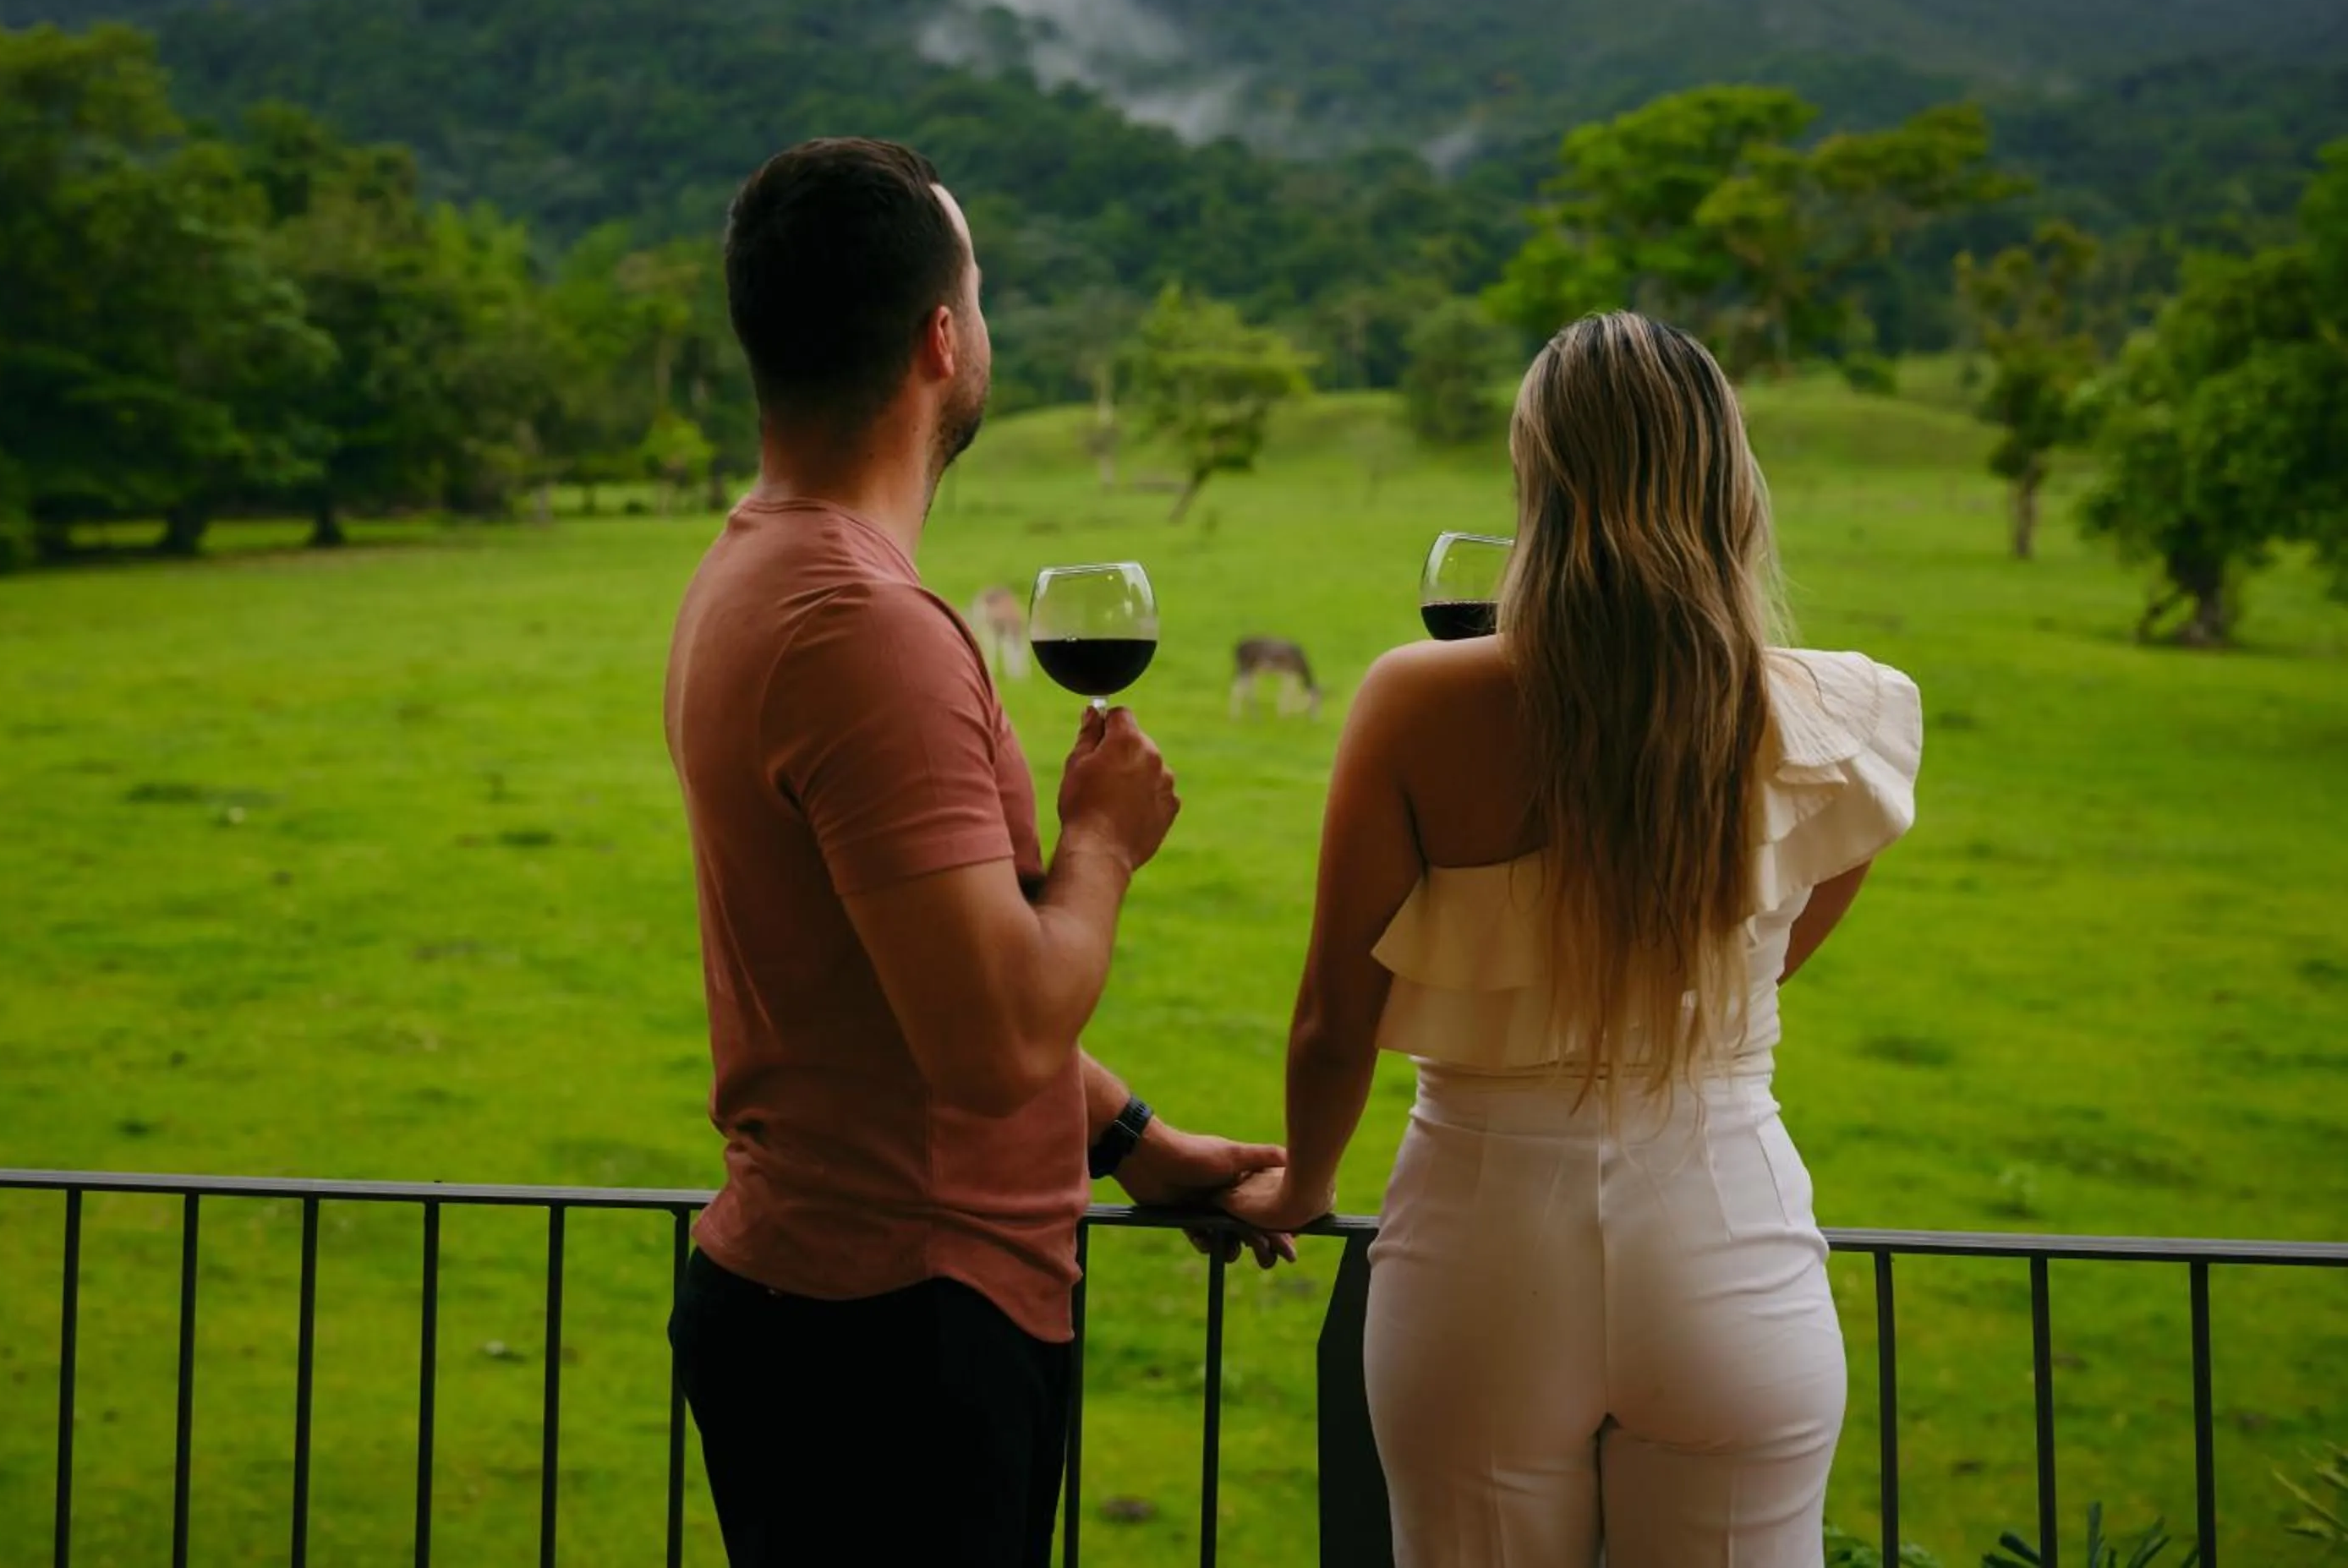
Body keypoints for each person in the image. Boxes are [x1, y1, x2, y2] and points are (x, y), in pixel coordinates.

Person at [662, 137, 1292, 1568]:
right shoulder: (866, 630)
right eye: (985, 298)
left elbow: (900, 976)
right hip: (902, 1329)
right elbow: (991, 1030)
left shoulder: (753, 565)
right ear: (944, 339)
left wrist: (1131, 1142)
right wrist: (1105, 847)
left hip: (837, 1304)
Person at [1223, 310, 1924, 1566]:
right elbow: (1776, 938)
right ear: (1730, 484)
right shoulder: (1845, 712)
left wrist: (1304, 1186)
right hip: (1727, 1226)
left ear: (1536, 486)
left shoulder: (1414, 701)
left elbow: (1337, 1021)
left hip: (1480, 1241)